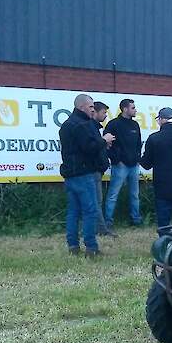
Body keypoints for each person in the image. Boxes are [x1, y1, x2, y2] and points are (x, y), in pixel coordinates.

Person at [59, 94, 115, 257]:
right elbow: (89, 147)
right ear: (82, 107)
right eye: (91, 107)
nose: (93, 110)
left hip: (71, 174)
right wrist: (104, 140)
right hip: (84, 173)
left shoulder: (67, 124)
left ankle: (73, 246)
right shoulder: (82, 125)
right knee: (90, 211)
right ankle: (91, 248)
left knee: (73, 211)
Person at [103, 98, 143, 228]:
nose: (135, 110)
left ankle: (136, 220)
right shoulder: (113, 124)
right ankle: (108, 221)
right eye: (133, 108)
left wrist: (137, 158)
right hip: (120, 166)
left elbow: (138, 144)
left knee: (135, 194)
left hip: (133, 165)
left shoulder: (135, 125)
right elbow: (107, 144)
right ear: (125, 109)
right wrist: (116, 160)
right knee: (113, 194)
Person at [91, 101, 113, 237]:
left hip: (97, 169)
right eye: (104, 112)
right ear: (96, 112)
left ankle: (95, 228)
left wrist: (104, 146)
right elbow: (90, 148)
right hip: (93, 170)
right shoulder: (91, 128)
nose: (105, 116)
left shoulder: (94, 128)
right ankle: (102, 230)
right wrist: (103, 141)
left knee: (96, 201)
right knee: (96, 201)